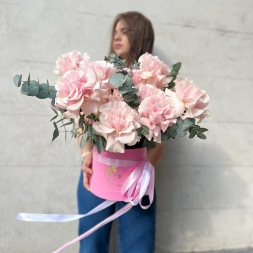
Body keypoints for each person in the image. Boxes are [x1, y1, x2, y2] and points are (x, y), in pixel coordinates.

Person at [77, 11, 165, 253]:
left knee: (139, 246)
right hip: (96, 169)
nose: (117, 37)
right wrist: (86, 156)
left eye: (125, 31)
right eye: (115, 32)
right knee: (90, 245)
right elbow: (81, 123)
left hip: (136, 178)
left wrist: (145, 172)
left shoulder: (155, 84)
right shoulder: (98, 78)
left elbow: (161, 139)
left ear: (141, 35)